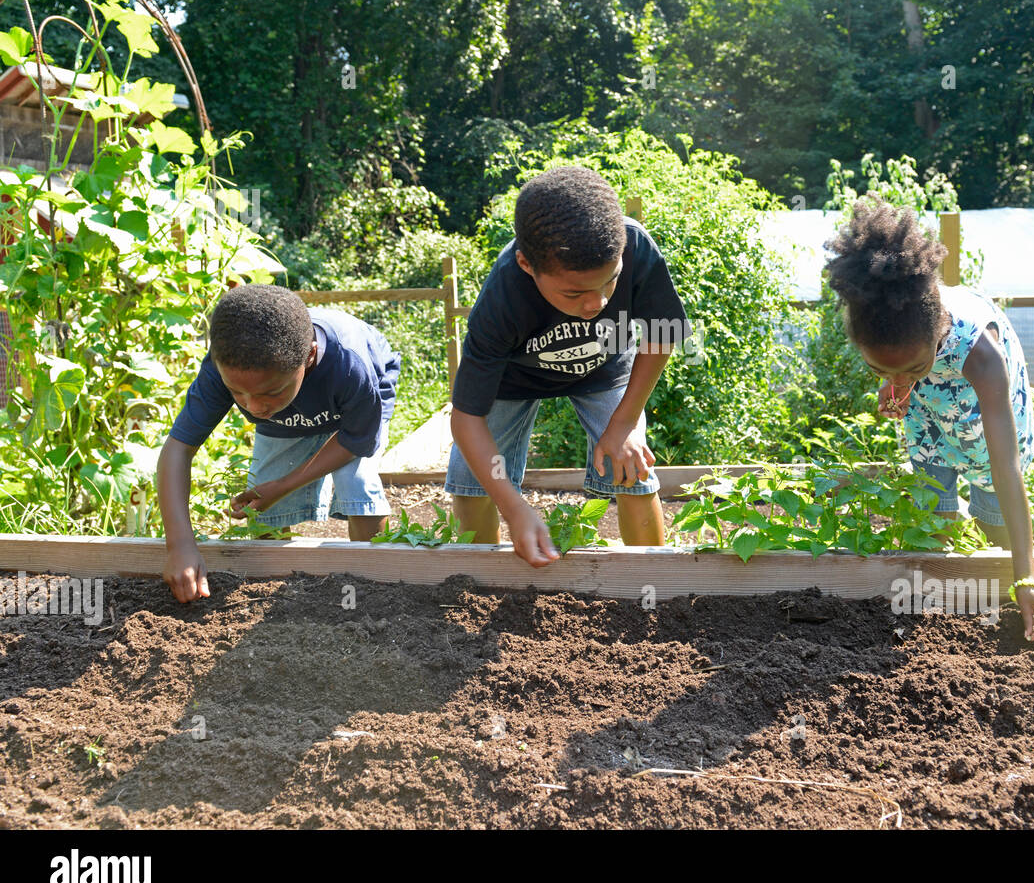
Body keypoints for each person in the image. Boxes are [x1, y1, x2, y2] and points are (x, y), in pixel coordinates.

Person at [825, 196, 1034, 640]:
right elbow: (899, 365)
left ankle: (1014, 600)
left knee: (994, 519)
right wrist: (900, 384)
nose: (895, 380)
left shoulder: (982, 355)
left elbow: (1006, 470)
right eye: (879, 369)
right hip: (931, 416)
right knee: (932, 513)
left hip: (983, 411)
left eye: (912, 369)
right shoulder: (891, 333)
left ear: (938, 338)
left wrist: (1028, 578)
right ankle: (935, 620)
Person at [448, 165, 690, 566]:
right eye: (575, 292)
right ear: (528, 265)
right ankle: (482, 583)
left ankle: (656, 584)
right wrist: (515, 508)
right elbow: (467, 417)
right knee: (474, 482)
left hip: (603, 364)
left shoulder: (634, 245)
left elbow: (662, 333)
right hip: (513, 379)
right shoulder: (503, 295)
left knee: (632, 468)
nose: (596, 304)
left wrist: (624, 423)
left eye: (609, 282)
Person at [157, 284, 400, 603]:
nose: (252, 407)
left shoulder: (349, 365)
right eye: (237, 393)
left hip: (353, 403)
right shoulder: (228, 366)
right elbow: (178, 448)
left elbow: (355, 440)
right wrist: (180, 545)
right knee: (264, 509)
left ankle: (376, 584)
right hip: (289, 413)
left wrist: (285, 485)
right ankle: (274, 591)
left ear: (309, 355)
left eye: (269, 393)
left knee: (357, 484)